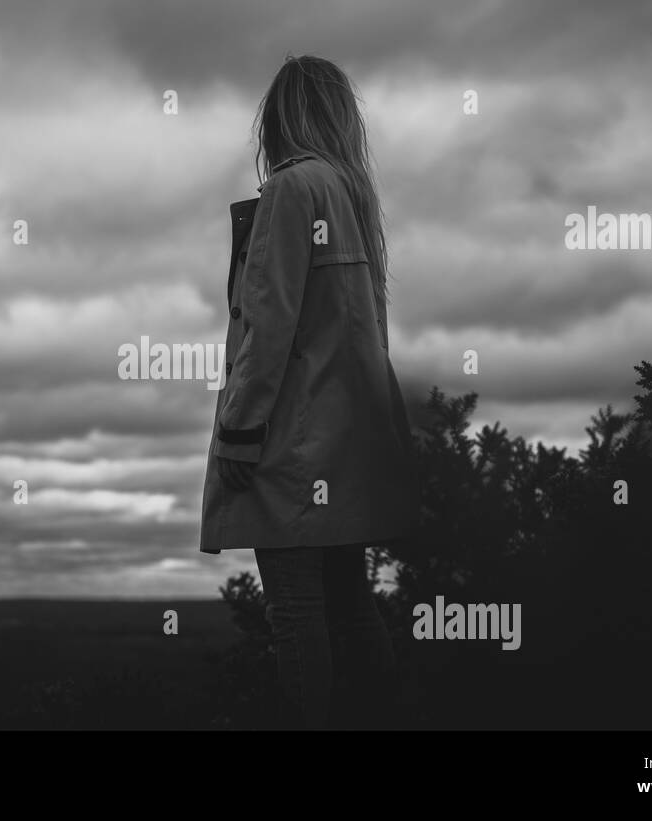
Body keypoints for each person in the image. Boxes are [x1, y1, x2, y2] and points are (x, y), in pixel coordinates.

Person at [200, 54, 422, 729]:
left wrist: (240, 431)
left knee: (297, 617)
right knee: (351, 605)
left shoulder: (295, 191)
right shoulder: (352, 196)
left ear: (280, 119)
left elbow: (269, 325)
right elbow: (364, 333)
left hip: (292, 446)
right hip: (342, 445)